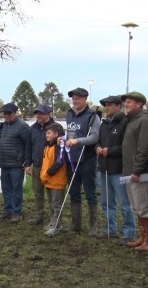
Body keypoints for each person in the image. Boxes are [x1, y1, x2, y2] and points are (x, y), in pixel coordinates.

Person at [95, 95, 135, 243]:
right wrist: (97, 148)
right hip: (104, 169)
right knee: (107, 202)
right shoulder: (104, 124)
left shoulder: (125, 123)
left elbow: (127, 146)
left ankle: (129, 233)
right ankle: (110, 229)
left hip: (119, 169)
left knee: (125, 204)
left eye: (110, 105)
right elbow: (98, 141)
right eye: (106, 105)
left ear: (119, 106)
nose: (107, 107)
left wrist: (110, 151)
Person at [121, 91, 148, 251]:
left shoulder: (144, 121)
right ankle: (142, 237)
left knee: (144, 207)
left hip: (140, 173)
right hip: (130, 172)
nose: (126, 104)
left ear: (140, 104)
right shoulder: (131, 121)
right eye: (126, 101)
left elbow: (143, 148)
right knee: (136, 206)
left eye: (130, 101)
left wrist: (136, 170)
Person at [65, 87, 101, 236]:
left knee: (90, 193)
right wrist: (65, 139)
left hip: (87, 158)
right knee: (74, 192)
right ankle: (76, 224)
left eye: (78, 98)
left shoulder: (93, 116)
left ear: (85, 99)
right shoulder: (69, 114)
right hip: (71, 159)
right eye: (73, 98)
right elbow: (69, 133)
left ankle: (93, 225)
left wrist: (77, 141)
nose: (75, 100)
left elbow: (94, 137)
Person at [0, 102, 31, 223]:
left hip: (17, 164)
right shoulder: (3, 126)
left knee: (16, 188)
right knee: (6, 188)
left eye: (9, 113)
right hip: (4, 163)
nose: (6, 115)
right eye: (4, 113)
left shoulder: (23, 126)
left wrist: (27, 162)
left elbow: (28, 144)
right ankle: (8, 210)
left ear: (15, 113)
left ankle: (17, 212)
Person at [26, 104, 55, 225]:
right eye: (37, 113)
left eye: (41, 113)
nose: (38, 115)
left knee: (52, 195)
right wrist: (28, 164)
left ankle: (54, 219)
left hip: (50, 167)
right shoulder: (32, 128)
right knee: (38, 193)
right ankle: (39, 216)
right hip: (37, 165)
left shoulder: (55, 128)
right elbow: (28, 147)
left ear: (48, 114)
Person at [40, 123, 68, 236]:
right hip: (48, 181)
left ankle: (57, 225)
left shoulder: (59, 146)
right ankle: (52, 223)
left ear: (56, 134)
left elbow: (59, 162)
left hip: (57, 181)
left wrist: (48, 173)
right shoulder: (47, 146)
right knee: (51, 204)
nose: (46, 135)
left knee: (57, 205)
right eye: (46, 133)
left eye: (49, 133)